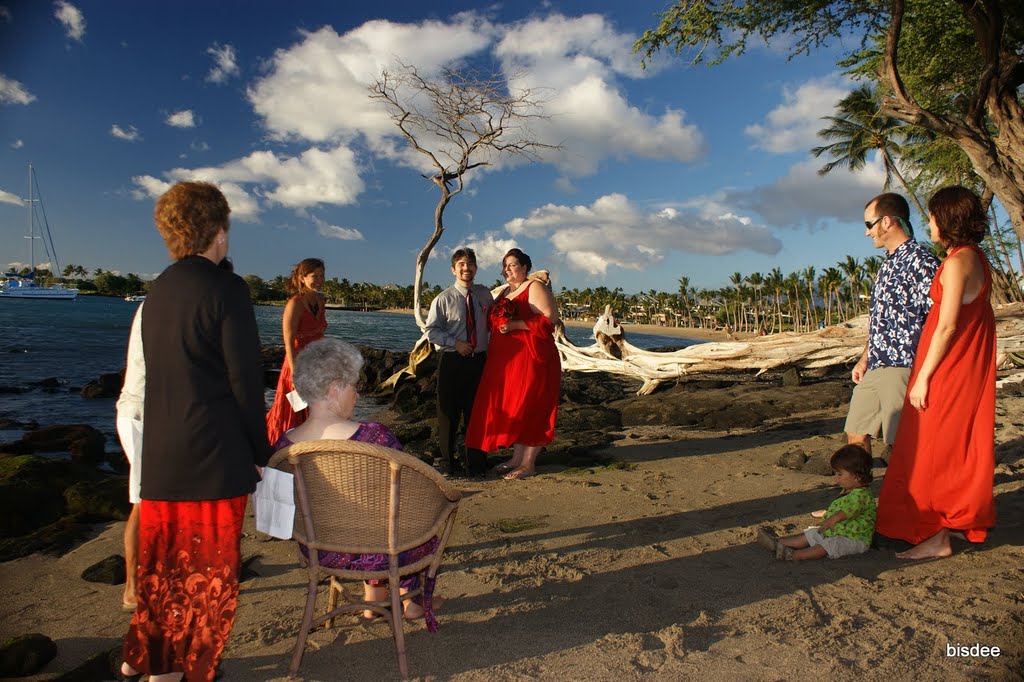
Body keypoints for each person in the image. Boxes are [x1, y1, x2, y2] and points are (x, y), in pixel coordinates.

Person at [119, 182, 271, 682]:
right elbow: (245, 382)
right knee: (209, 576)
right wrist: (260, 449)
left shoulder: (157, 291)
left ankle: (159, 669)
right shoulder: (228, 289)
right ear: (219, 232)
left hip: (162, 456)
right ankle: (197, 669)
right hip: (213, 454)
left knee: (162, 574)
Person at [274, 337, 445, 629]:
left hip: (320, 549)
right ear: (334, 389)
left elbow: (277, 519)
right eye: (353, 386)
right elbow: (408, 495)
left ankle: (374, 598)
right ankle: (408, 600)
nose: (357, 394)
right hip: (381, 549)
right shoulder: (375, 437)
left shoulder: (283, 447)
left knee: (364, 515)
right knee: (402, 520)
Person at [876, 186, 997, 560]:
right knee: (950, 445)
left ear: (946, 219)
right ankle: (951, 523)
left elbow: (946, 326)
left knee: (934, 448)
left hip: (949, 368)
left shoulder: (960, 261)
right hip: (958, 364)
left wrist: (924, 376)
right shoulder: (972, 257)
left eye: (931, 216)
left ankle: (937, 531)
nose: (927, 223)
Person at [844, 193, 939, 457]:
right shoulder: (886, 265)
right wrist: (864, 359)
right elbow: (880, 320)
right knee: (855, 431)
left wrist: (925, 373)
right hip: (876, 365)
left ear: (886, 222)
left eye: (868, 225)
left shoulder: (922, 261)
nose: (866, 233)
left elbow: (938, 319)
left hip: (904, 366)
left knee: (901, 443)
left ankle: (907, 496)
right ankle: (858, 497)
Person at [466, 248, 561, 480]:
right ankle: (517, 458)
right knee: (517, 408)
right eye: (505, 266)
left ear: (525, 267)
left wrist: (516, 325)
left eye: (512, 265)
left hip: (532, 358)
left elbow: (550, 318)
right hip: (508, 362)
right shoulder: (505, 292)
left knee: (532, 406)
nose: (507, 270)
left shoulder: (534, 287)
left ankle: (528, 463)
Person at [423, 247, 492, 478]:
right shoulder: (443, 299)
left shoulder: (485, 295)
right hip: (452, 361)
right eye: (462, 264)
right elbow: (431, 331)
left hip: (479, 362)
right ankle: (448, 464)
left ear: (476, 268)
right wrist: (456, 343)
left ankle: (476, 464)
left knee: (477, 414)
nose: (466, 268)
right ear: (453, 269)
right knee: (448, 415)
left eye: (470, 263)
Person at [757, 445, 877, 561]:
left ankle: (795, 555)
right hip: (839, 531)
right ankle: (779, 543)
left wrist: (834, 518)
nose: (837, 478)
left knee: (826, 546)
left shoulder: (862, 495)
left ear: (857, 476)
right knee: (812, 533)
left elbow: (849, 510)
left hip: (854, 539)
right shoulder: (850, 490)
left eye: (840, 474)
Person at [266, 258, 327, 445]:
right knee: (292, 412)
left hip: (316, 365)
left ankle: (307, 452)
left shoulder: (320, 301)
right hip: (297, 366)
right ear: (302, 278)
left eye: (322, 275)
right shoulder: (295, 304)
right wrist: (295, 374)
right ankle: (282, 451)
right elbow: (288, 342)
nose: (319, 279)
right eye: (314, 276)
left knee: (313, 411)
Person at [115, 303, 144, 613]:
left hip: (141, 410)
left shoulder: (155, 303)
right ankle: (132, 586)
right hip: (142, 414)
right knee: (145, 501)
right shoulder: (163, 306)